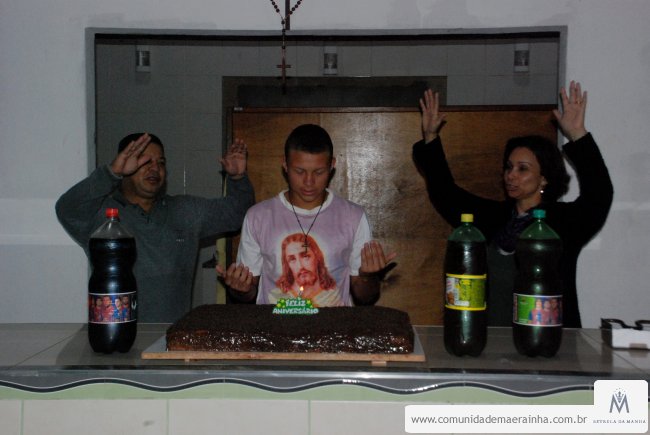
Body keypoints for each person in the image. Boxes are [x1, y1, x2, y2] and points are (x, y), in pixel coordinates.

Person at [413, 81, 613, 328]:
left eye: (522, 169)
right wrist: (430, 137)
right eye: (509, 167)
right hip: (492, 341)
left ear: (544, 177)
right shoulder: (495, 217)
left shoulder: (561, 222)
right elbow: (446, 194)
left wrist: (577, 135)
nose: (511, 175)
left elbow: (599, 195)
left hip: (549, 341)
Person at [56, 133, 255, 323]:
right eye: (145, 161)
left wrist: (238, 178)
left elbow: (237, 214)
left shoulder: (185, 211)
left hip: (170, 337)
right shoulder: (103, 215)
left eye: (161, 162)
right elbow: (68, 209)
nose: (155, 168)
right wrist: (111, 173)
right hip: (116, 334)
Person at [219, 124, 397, 306]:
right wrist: (239, 288)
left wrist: (367, 276)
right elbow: (249, 293)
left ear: (332, 165)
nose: (309, 182)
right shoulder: (258, 217)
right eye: (300, 171)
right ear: (285, 164)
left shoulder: (353, 217)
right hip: (274, 323)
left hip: (334, 324)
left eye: (319, 172)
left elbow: (365, 297)